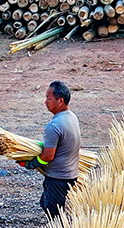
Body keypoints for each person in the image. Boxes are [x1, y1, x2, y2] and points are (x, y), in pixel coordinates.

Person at [19, 81, 81, 220]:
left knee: (54, 212)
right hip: (71, 174)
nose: (45, 102)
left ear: (60, 101)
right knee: (45, 203)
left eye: (49, 98)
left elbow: (47, 156)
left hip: (58, 178)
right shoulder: (72, 117)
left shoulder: (53, 126)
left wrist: (31, 164)